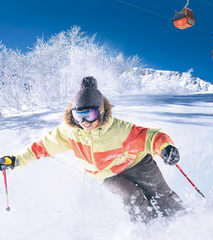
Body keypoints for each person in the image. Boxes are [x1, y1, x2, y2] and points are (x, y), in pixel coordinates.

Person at [0, 76, 184, 224]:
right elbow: (40, 147)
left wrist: (166, 147)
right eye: (78, 115)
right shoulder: (69, 131)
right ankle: (150, 231)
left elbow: (151, 136)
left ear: (101, 111)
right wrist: (15, 160)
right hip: (107, 174)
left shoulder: (119, 129)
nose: (84, 122)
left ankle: (183, 221)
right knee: (132, 198)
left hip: (137, 163)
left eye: (90, 114)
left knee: (161, 195)